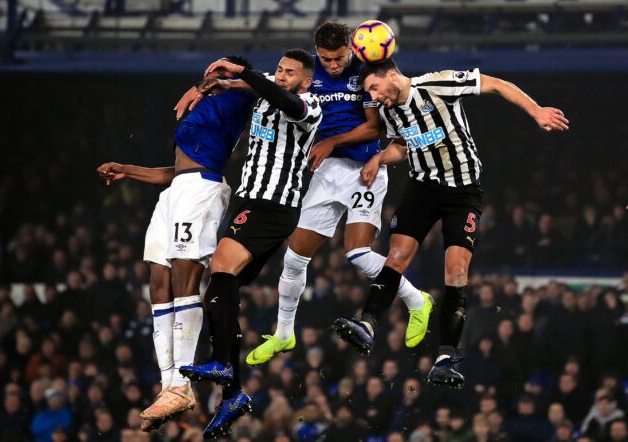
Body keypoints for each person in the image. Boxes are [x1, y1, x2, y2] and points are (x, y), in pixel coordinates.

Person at [174, 22, 432, 364]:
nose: (333, 65)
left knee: (357, 252)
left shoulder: (364, 72)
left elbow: (374, 127)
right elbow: (266, 86)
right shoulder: (308, 71)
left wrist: (332, 140)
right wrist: (211, 85)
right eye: (326, 59)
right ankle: (283, 334)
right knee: (295, 257)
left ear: (350, 51)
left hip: (363, 170)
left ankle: (417, 300)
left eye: (339, 58)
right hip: (325, 171)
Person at [331, 57, 569, 388]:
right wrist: (379, 156)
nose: (373, 96)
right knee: (397, 256)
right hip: (423, 188)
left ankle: (446, 358)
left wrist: (536, 111)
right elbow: (404, 145)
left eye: (374, 87)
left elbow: (497, 84)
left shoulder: (437, 84)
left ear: (392, 76)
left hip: (463, 192)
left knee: (456, 271)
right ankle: (367, 324)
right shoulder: (388, 111)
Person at [96, 55, 257, 431]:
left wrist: (231, 80)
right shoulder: (202, 104)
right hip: (177, 191)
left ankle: (182, 382)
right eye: (209, 72)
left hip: (202, 190)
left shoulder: (238, 95)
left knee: (186, 278)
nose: (209, 75)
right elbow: (177, 171)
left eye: (219, 71)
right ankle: (170, 383)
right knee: (157, 282)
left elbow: (276, 84)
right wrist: (128, 170)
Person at [177, 49, 322, 439]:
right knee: (220, 293)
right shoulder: (264, 92)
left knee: (220, 269)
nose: (282, 76)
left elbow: (284, 99)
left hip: (272, 206)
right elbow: (253, 88)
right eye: (279, 69)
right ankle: (233, 395)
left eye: (290, 72)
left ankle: (222, 361)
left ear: (307, 81)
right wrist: (213, 84)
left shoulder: (309, 105)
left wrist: (243, 72)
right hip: (249, 201)